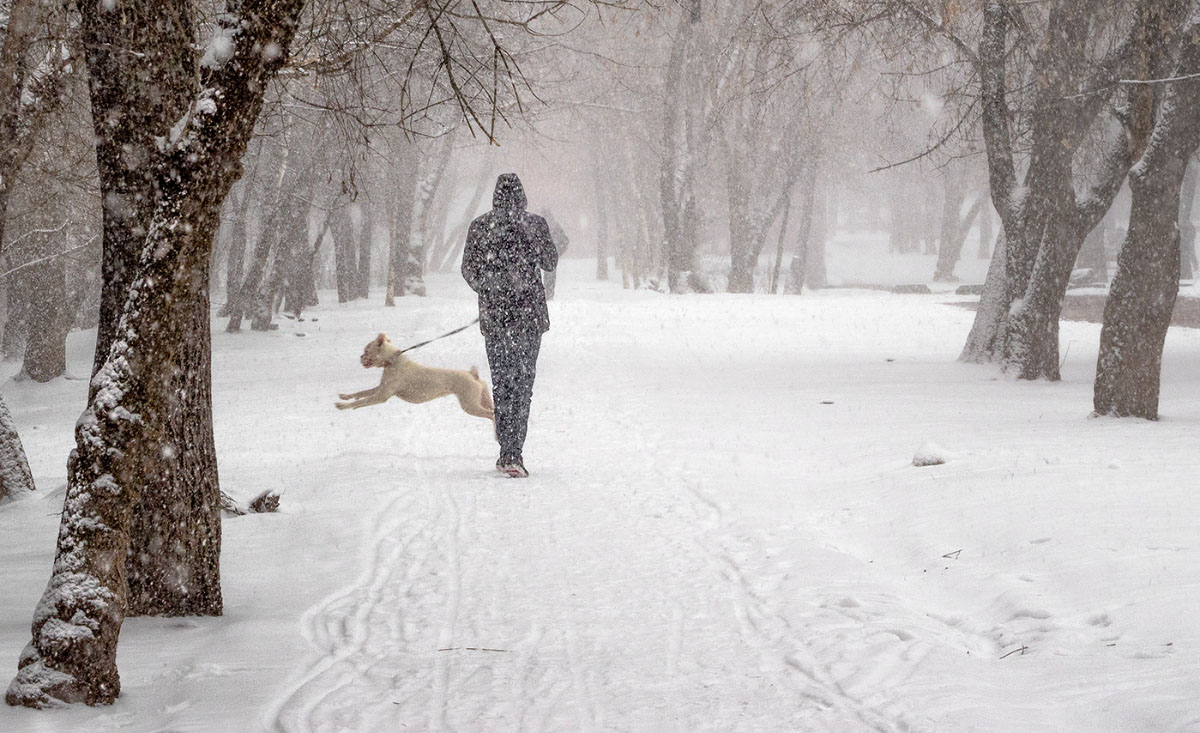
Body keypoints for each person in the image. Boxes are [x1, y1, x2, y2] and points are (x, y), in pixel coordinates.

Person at [461, 173, 558, 477]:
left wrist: (491, 290)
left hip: (496, 318)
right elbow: (550, 262)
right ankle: (515, 452)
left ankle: (508, 452)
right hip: (529, 319)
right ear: (522, 195)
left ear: (494, 196)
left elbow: (468, 269)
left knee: (503, 384)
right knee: (523, 386)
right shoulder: (535, 224)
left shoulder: (480, 226)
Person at [541, 210, 570, 300]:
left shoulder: (542, 225)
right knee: (551, 274)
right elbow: (565, 240)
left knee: (547, 274)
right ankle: (549, 293)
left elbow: (565, 240)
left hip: (545, 253)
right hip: (551, 253)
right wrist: (558, 251)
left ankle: (547, 293)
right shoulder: (555, 226)